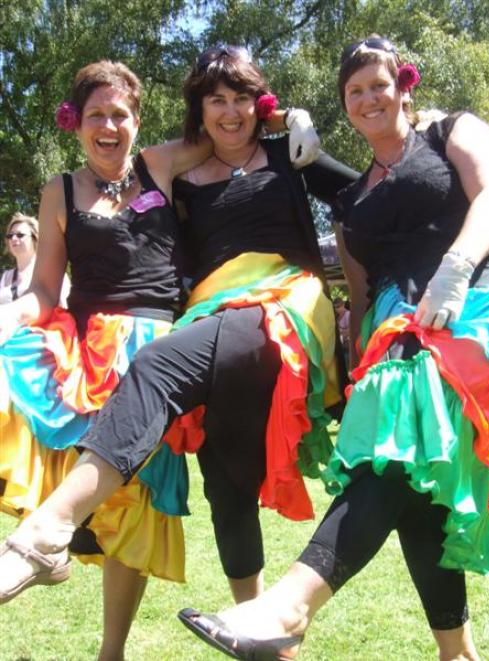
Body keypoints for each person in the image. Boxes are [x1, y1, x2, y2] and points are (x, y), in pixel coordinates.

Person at [0, 44, 357, 630]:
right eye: (216, 100)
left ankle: (47, 531)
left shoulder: (240, 159)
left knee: (153, 393)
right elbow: (80, 274)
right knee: (224, 482)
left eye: (241, 98)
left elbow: (353, 189)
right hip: (183, 326)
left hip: (238, 320)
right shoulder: (144, 183)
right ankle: (261, 630)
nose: (229, 112)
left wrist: (287, 119)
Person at [177, 36, 489, 661]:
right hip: (392, 335)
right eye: (354, 91)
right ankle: (458, 655)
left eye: (378, 84)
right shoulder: (351, 200)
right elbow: (357, 289)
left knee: (391, 458)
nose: (368, 97)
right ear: (346, 109)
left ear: (404, 85)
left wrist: (454, 268)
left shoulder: (451, 130)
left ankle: (288, 606)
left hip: (472, 309)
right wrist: (350, 373)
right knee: (409, 477)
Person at [0, 213, 70, 305]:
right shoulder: (6, 277)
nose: (13, 238)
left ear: (35, 239)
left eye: (20, 235)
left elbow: (64, 309)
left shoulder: (52, 274)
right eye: (10, 235)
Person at [333, 296, 350, 367]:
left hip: (347, 346)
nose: (337, 309)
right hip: (341, 346)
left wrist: (340, 332)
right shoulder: (337, 316)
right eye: (335, 307)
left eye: (338, 306)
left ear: (343, 305)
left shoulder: (348, 314)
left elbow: (350, 331)